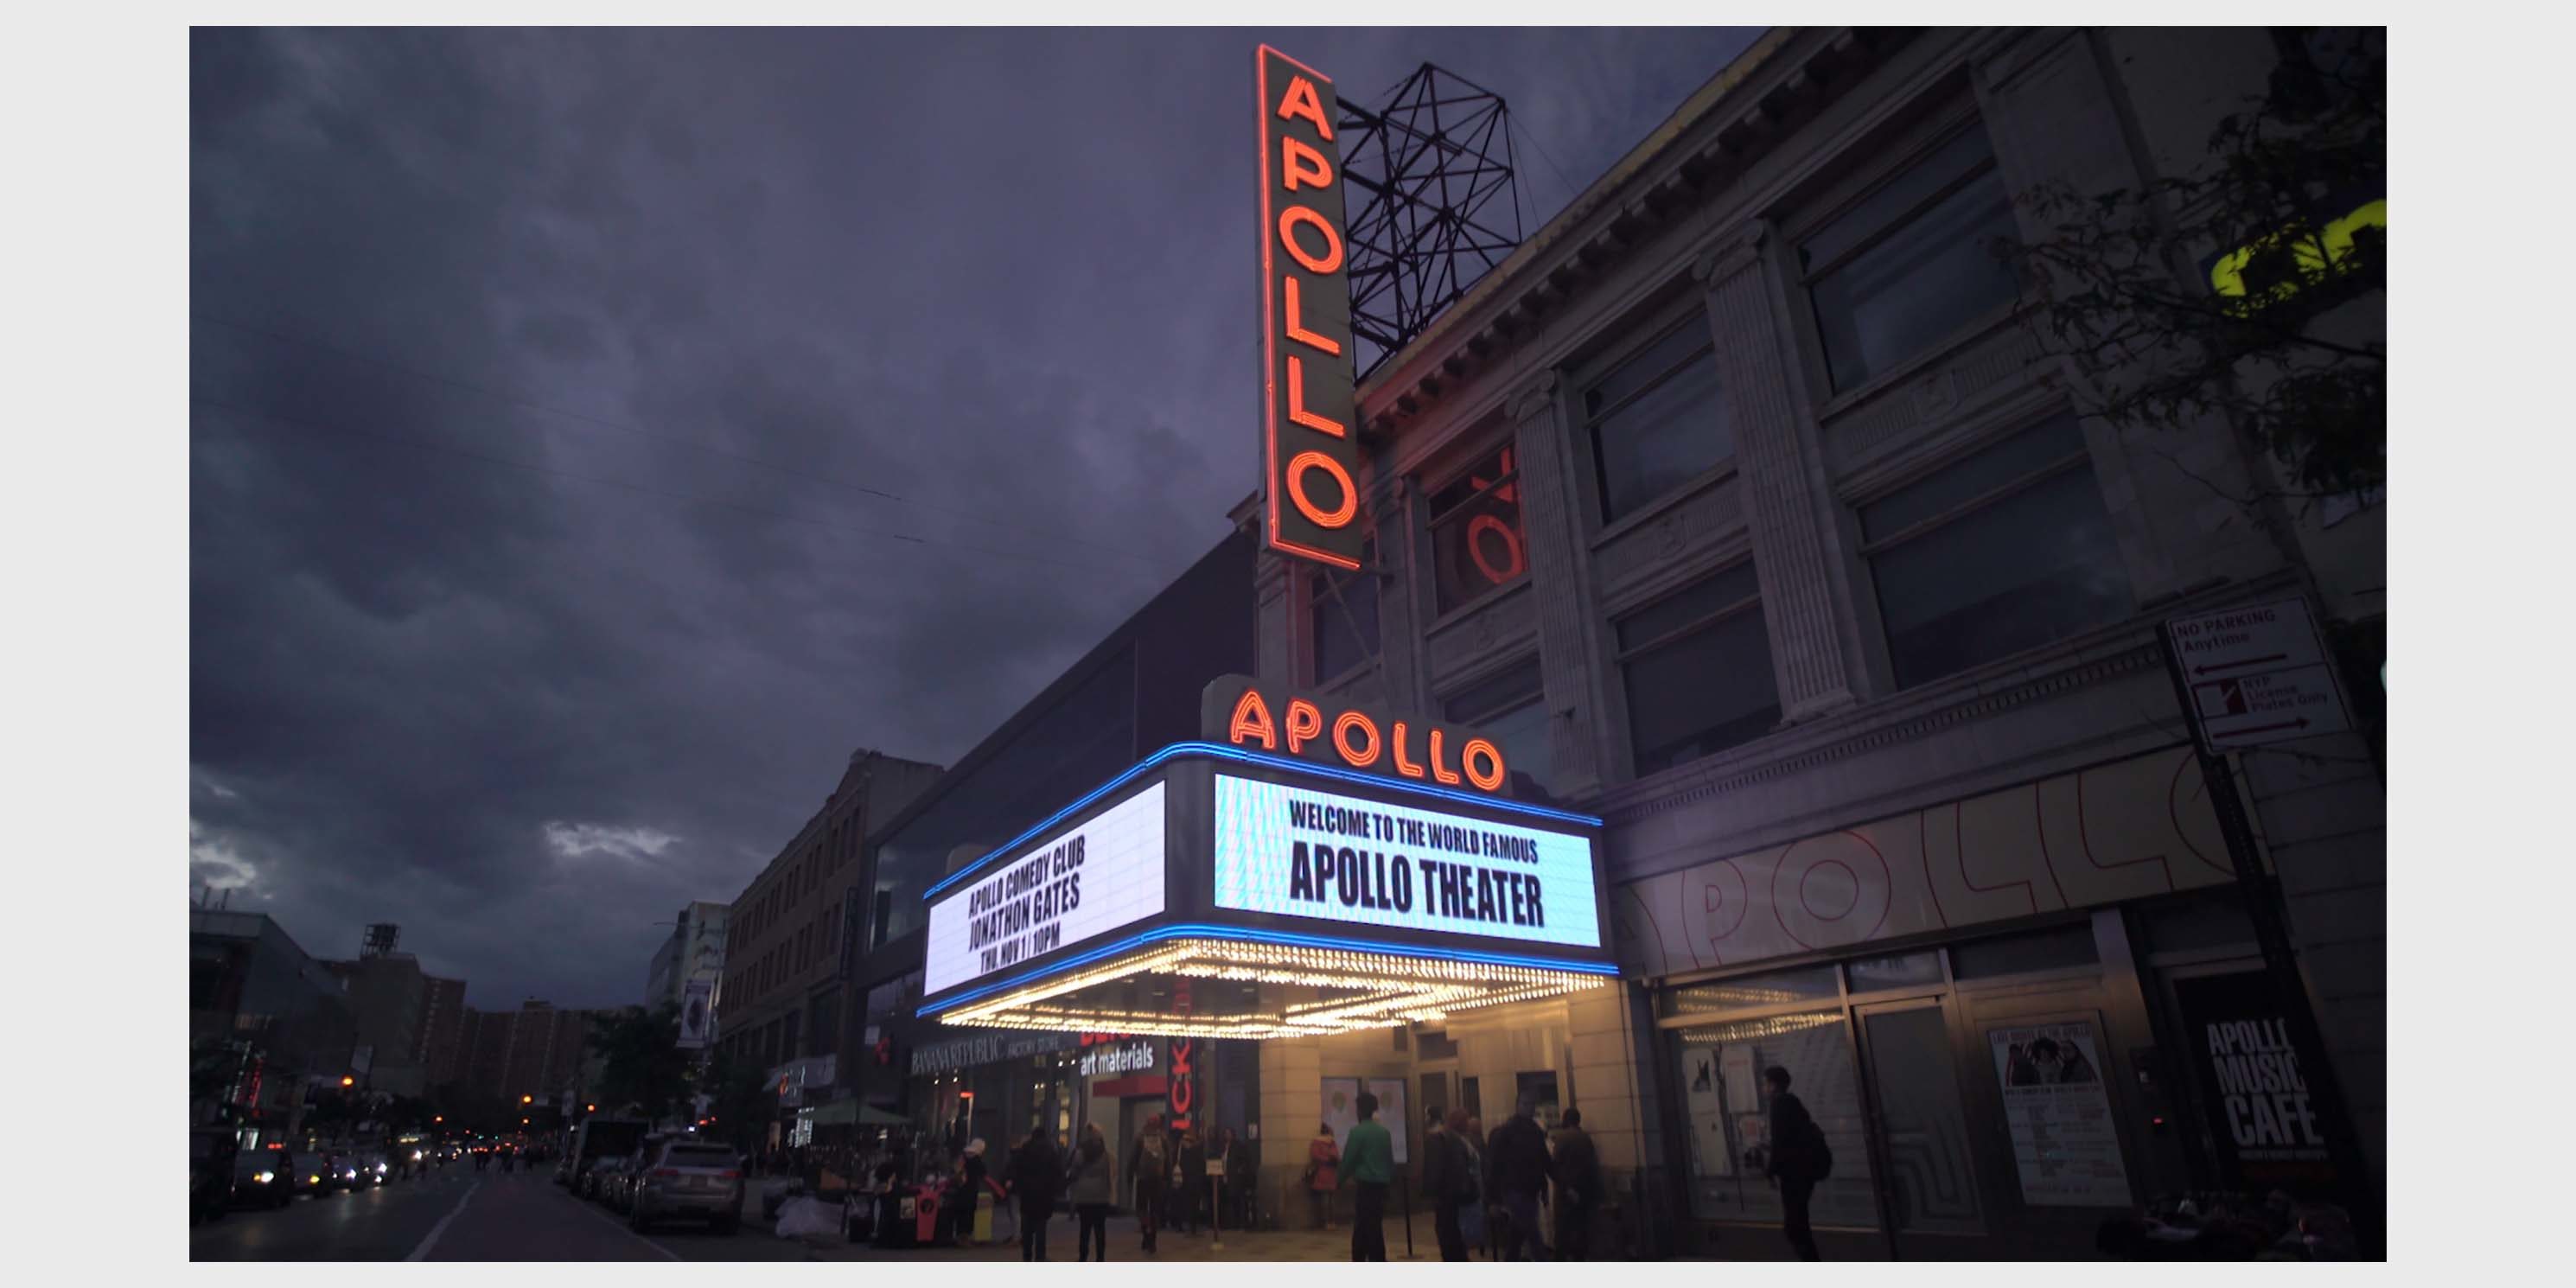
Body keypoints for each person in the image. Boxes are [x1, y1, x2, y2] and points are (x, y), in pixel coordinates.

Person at [1763, 1066, 1823, 1261]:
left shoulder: (1779, 1104)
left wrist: (1770, 1171)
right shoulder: (1793, 1102)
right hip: (1804, 1172)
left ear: (1773, 1085)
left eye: (1765, 1083)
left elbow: (1781, 1141)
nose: (1764, 1088)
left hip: (1794, 1174)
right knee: (1799, 1224)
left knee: (1795, 1227)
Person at [1487, 1097, 1553, 1260]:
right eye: (1526, 1104)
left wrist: (1545, 1187)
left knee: (1518, 1234)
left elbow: (1544, 1162)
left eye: (1532, 1104)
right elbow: (1494, 1165)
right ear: (1517, 1106)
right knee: (1532, 1232)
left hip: (1525, 1190)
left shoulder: (1533, 1132)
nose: (1530, 1107)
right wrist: (1493, 1199)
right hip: (1515, 1190)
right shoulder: (1509, 1132)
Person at [1338, 1090, 1394, 1261]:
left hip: (1365, 1185)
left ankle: (1360, 1258)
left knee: (1362, 1226)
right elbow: (1389, 1160)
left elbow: (1349, 1159)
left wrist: (1339, 1180)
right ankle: (1378, 1259)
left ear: (1360, 1110)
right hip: (1381, 1186)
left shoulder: (1357, 1132)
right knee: (1375, 1225)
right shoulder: (1384, 1133)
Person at [1424, 1107, 1476, 1262]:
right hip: (1459, 1194)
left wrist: (1431, 1192)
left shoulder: (1435, 1139)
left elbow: (1434, 1170)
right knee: (1455, 1236)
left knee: (1447, 1235)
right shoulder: (1462, 1141)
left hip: (1445, 1195)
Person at [1550, 1107, 1603, 1260]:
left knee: (1562, 1232)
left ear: (1565, 1119)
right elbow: (1592, 1165)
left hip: (1565, 1191)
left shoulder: (1561, 1138)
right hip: (1584, 1190)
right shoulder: (1585, 1138)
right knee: (1581, 1230)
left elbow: (1555, 1164)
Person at [1006, 1126, 1062, 1261]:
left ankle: (1027, 1255)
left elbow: (1016, 1170)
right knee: (1041, 1227)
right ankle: (1040, 1256)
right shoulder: (1050, 1151)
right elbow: (1057, 1171)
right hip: (1044, 1194)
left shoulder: (1024, 1150)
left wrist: (1019, 1186)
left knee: (1027, 1227)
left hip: (1027, 1194)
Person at [1065, 1123, 1113, 1261]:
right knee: (1100, 1230)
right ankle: (1100, 1258)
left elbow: (1074, 1171)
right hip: (1100, 1196)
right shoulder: (1105, 1154)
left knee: (1084, 1230)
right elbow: (1107, 1174)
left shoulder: (1080, 1152)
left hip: (1084, 1196)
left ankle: (1083, 1257)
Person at [1126, 1113, 1168, 1253]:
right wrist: (1167, 1177)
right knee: (1155, 1211)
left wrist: (1130, 1175)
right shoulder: (1163, 1137)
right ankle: (1153, 1240)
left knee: (1142, 1209)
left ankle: (1145, 1236)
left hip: (1143, 1178)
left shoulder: (1140, 1136)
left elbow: (1133, 1158)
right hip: (1158, 1178)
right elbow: (1169, 1158)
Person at [1305, 1122, 1340, 1230]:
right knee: (1331, 1200)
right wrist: (1330, 1159)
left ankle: (1324, 1222)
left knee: (1324, 1199)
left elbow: (1315, 1155)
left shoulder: (1316, 1143)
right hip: (1331, 1173)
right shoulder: (1332, 1143)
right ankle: (1331, 1221)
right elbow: (1336, 1156)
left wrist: (1324, 1160)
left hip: (1321, 1173)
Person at [1171, 1125, 1205, 1235]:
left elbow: (1175, 1160)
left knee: (1182, 1202)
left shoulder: (1180, 1147)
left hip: (1183, 1178)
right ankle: (1192, 1227)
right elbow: (1201, 1163)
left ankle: (1180, 1225)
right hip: (1194, 1179)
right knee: (1193, 1203)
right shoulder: (1198, 1147)